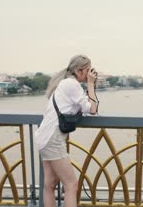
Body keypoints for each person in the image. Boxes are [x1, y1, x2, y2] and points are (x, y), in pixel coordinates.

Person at [35, 55, 98, 207]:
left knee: (50, 184)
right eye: (88, 70)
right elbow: (93, 109)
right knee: (71, 185)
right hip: (53, 138)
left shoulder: (64, 84)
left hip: (44, 136)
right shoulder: (71, 84)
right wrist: (91, 84)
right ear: (79, 70)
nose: (91, 73)